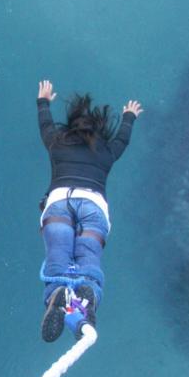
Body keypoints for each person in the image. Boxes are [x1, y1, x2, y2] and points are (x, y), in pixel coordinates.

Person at [36, 80, 143, 342]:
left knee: (59, 254)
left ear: (72, 126)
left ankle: (58, 294)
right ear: (100, 129)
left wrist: (43, 102)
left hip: (60, 201)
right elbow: (122, 140)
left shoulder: (57, 143)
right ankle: (88, 295)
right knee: (89, 258)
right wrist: (129, 116)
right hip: (93, 206)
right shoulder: (106, 152)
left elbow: (45, 126)